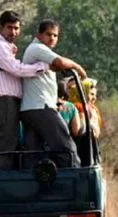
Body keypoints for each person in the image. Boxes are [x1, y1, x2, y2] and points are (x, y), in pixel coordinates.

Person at [0, 11, 55, 169]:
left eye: (16, 28)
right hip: (4, 103)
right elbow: (16, 69)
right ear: (1, 27)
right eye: (9, 28)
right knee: (5, 147)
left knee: (13, 144)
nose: (13, 32)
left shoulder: (7, 47)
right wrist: (41, 67)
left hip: (12, 103)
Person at [20, 19, 86, 168]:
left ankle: (34, 188)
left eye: (55, 35)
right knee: (66, 148)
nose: (52, 38)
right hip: (40, 107)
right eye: (48, 34)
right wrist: (78, 67)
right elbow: (61, 63)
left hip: (31, 109)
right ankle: (75, 180)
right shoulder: (37, 48)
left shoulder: (41, 52)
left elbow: (56, 66)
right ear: (39, 34)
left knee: (34, 153)